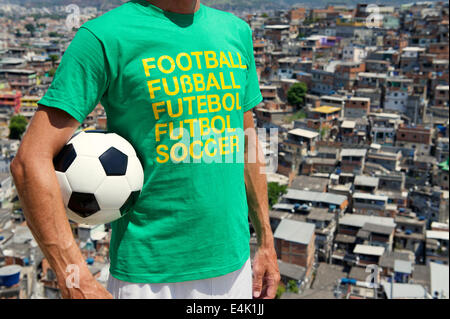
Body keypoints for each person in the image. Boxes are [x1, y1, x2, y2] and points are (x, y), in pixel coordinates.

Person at [10, 0, 280, 299]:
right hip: (149, 277)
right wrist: (74, 278)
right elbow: (29, 162)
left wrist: (266, 241)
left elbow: (247, 143)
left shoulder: (236, 31)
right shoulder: (103, 37)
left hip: (235, 268)